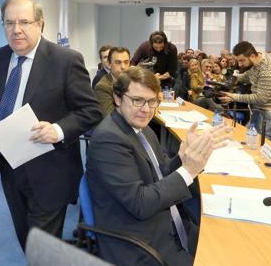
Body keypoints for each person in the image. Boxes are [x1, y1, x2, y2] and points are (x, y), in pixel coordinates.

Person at [0, 0, 102, 250]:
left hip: (51, 170)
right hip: (11, 168)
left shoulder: (66, 60)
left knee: (42, 246)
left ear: (40, 24)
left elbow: (91, 110)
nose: (16, 29)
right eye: (9, 23)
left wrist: (58, 130)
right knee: (25, 238)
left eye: (24, 22)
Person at [86, 66, 230, 266]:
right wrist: (188, 170)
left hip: (166, 221)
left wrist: (182, 157)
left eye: (152, 101)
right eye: (137, 100)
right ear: (118, 99)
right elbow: (140, 203)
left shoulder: (142, 128)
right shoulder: (109, 139)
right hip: (139, 240)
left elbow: (159, 174)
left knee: (226, 242)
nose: (146, 109)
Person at [219, 41, 271, 144]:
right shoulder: (257, 56)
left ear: (252, 56)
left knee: (267, 147)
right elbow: (250, 75)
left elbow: (260, 98)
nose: (240, 64)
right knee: (247, 141)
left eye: (242, 60)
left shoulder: (268, 70)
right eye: (238, 61)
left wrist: (234, 97)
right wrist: (235, 79)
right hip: (259, 109)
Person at [95, 47, 131, 116]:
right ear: (109, 64)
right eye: (118, 62)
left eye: (126, 62)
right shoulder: (103, 87)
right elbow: (110, 116)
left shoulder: (132, 80)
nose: (123, 67)